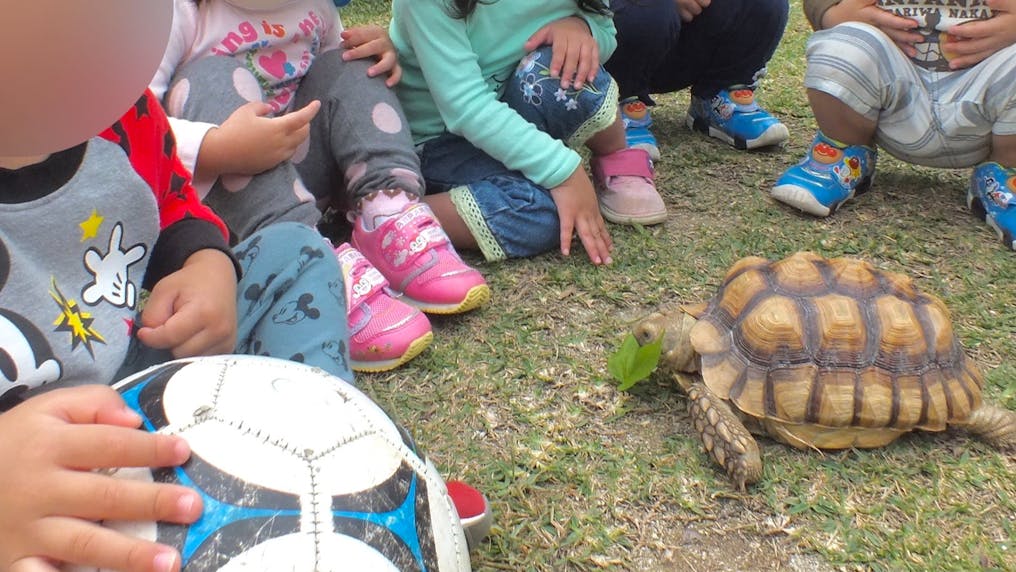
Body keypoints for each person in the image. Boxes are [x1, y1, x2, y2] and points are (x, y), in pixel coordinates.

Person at [0, 5, 489, 569]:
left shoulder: (115, 104)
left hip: (146, 349)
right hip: (41, 456)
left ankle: (349, 473)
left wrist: (205, 262)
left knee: (296, 253)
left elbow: (173, 202)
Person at [150, 0, 491, 373]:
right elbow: (130, 127)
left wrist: (381, 54)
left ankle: (388, 212)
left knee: (351, 58)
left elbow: (338, 92)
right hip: (225, 201)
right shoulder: (175, 14)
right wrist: (217, 147)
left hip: (303, 169)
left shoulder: (316, 7)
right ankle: (308, 264)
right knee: (209, 75)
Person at [388, 0, 669, 266]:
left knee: (567, 65)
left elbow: (606, 32)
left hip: (506, 113)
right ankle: (392, 217)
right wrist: (564, 171)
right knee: (549, 215)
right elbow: (465, 107)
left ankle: (615, 157)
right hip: (436, 142)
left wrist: (581, 28)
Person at [771, 0, 1016, 251]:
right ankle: (841, 152)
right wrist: (833, 13)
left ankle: (1006, 175)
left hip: (993, 87)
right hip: (893, 82)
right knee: (841, 46)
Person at [605, 0, 791, 159]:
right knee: (647, 9)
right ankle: (618, 102)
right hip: (624, 35)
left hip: (691, 39)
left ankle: (720, 92)